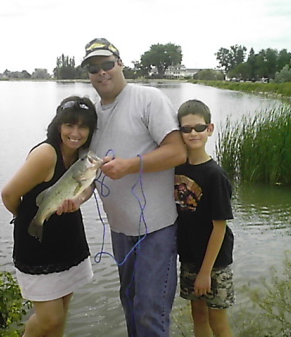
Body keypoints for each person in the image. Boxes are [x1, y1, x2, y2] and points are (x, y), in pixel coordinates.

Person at [80, 37, 187, 337]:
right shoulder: (90, 117)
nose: (101, 73)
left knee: (150, 313)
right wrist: (75, 199)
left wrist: (130, 164)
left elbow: (177, 152)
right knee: (129, 304)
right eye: (93, 67)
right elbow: (87, 179)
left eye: (107, 64)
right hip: (120, 232)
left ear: (120, 64)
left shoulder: (148, 99)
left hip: (157, 229)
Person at [1, 96, 97, 337]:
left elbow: (88, 187)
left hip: (69, 242)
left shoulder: (82, 156)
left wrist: (79, 199)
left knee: (60, 316)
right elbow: (9, 195)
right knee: (49, 319)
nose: (75, 133)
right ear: (58, 125)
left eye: (83, 126)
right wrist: (24, 219)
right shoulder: (46, 154)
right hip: (37, 246)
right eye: (69, 125)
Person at [174, 99, 235, 337]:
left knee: (217, 321)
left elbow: (219, 227)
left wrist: (205, 272)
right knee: (198, 316)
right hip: (189, 258)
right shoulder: (177, 168)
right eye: (186, 129)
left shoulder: (215, 175)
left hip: (214, 263)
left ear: (209, 129)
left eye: (199, 128)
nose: (193, 133)